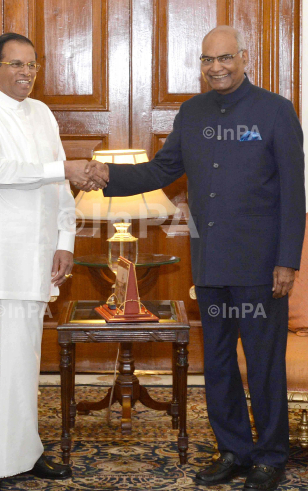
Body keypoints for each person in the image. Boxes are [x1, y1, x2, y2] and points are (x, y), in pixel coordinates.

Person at [85, 26, 306, 491]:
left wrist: (288, 261)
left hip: (262, 267)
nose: (217, 67)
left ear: (244, 58)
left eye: (225, 58)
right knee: (219, 364)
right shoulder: (192, 112)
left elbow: (293, 193)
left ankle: (270, 456)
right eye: (208, 60)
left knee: (264, 365)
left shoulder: (275, 111)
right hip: (209, 265)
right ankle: (233, 451)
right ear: (201, 64)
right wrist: (103, 175)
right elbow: (162, 170)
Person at [0, 32, 108, 491]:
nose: (26, 73)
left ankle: (24, 451)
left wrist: (65, 242)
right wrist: (63, 168)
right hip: (1, 255)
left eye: (32, 65)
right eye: (16, 64)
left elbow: (60, 188)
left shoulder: (41, 113)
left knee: (24, 360)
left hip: (40, 256)